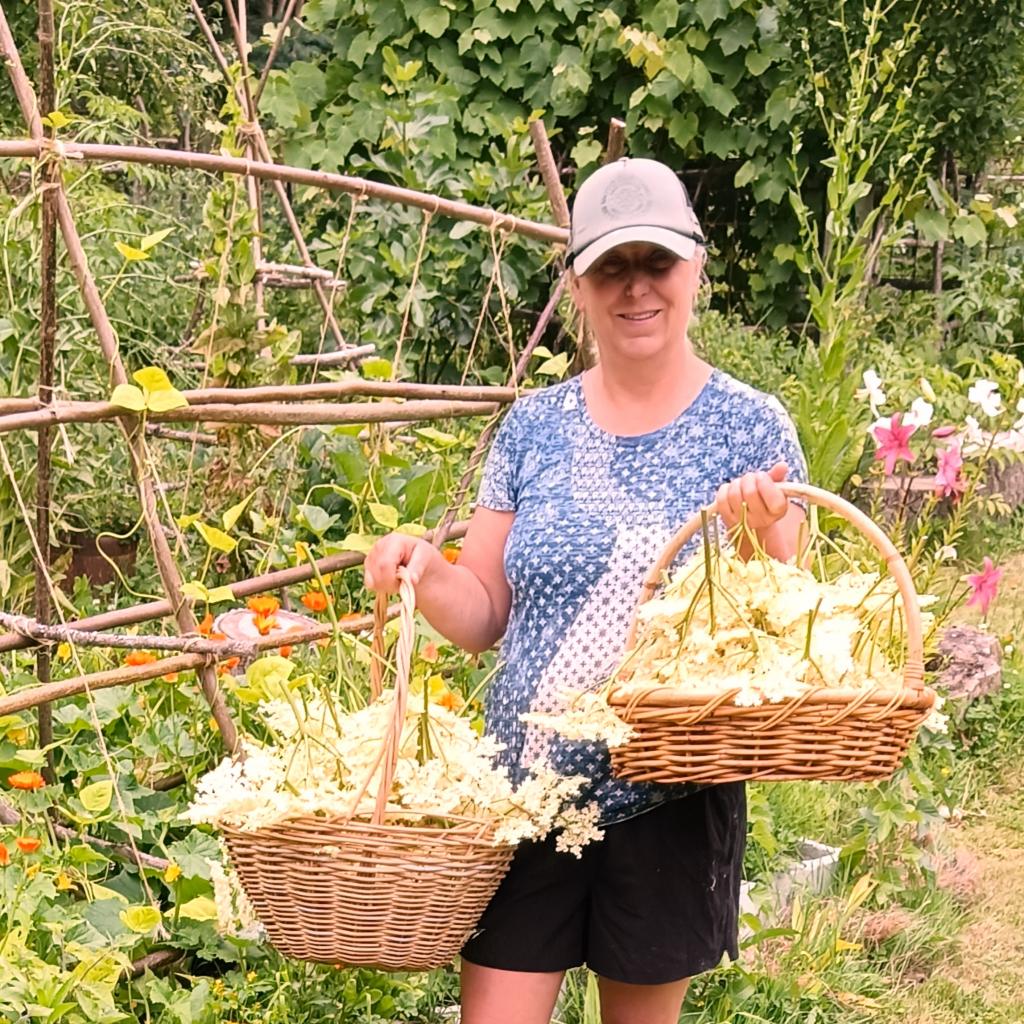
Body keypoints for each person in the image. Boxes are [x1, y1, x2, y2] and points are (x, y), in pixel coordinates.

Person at [364, 157, 808, 1024]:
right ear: (577, 283)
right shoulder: (533, 425)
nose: (635, 287)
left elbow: (788, 615)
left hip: (668, 794)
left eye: (656, 263)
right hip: (526, 791)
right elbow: (484, 614)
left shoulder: (751, 424)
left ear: (696, 269)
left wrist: (763, 526)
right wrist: (424, 567)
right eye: (610, 265)